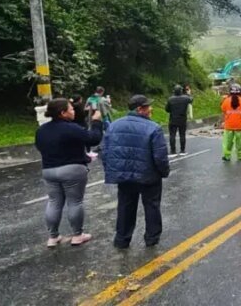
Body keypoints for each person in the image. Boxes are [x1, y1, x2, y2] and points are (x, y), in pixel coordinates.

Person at [100, 95, 170, 249]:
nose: (151, 109)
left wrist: (113, 170)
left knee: (125, 206)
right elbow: (160, 156)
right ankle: (152, 239)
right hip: (149, 176)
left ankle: (122, 239)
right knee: (151, 206)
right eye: (148, 107)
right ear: (140, 109)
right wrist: (163, 172)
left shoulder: (114, 126)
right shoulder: (153, 128)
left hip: (124, 177)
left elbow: (105, 152)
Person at [34, 98, 104, 248]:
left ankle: (53, 237)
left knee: (54, 202)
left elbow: (40, 147)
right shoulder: (71, 128)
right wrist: (97, 122)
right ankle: (77, 235)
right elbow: (93, 139)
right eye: (71, 109)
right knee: (74, 202)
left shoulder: (41, 130)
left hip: (49, 170)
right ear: (63, 113)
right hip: (72, 169)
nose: (73, 111)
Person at [220, 84, 241, 162]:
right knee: (239, 142)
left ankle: (227, 156)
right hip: (239, 126)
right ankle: (240, 156)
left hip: (229, 126)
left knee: (228, 142)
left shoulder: (226, 100)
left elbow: (223, 109)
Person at [165, 85, 193, 155]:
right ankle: (182, 150)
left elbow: (167, 109)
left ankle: (173, 151)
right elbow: (191, 99)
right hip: (182, 119)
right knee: (182, 135)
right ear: (181, 91)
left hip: (173, 119)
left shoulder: (170, 99)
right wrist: (188, 93)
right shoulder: (185, 98)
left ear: (174, 91)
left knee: (172, 135)